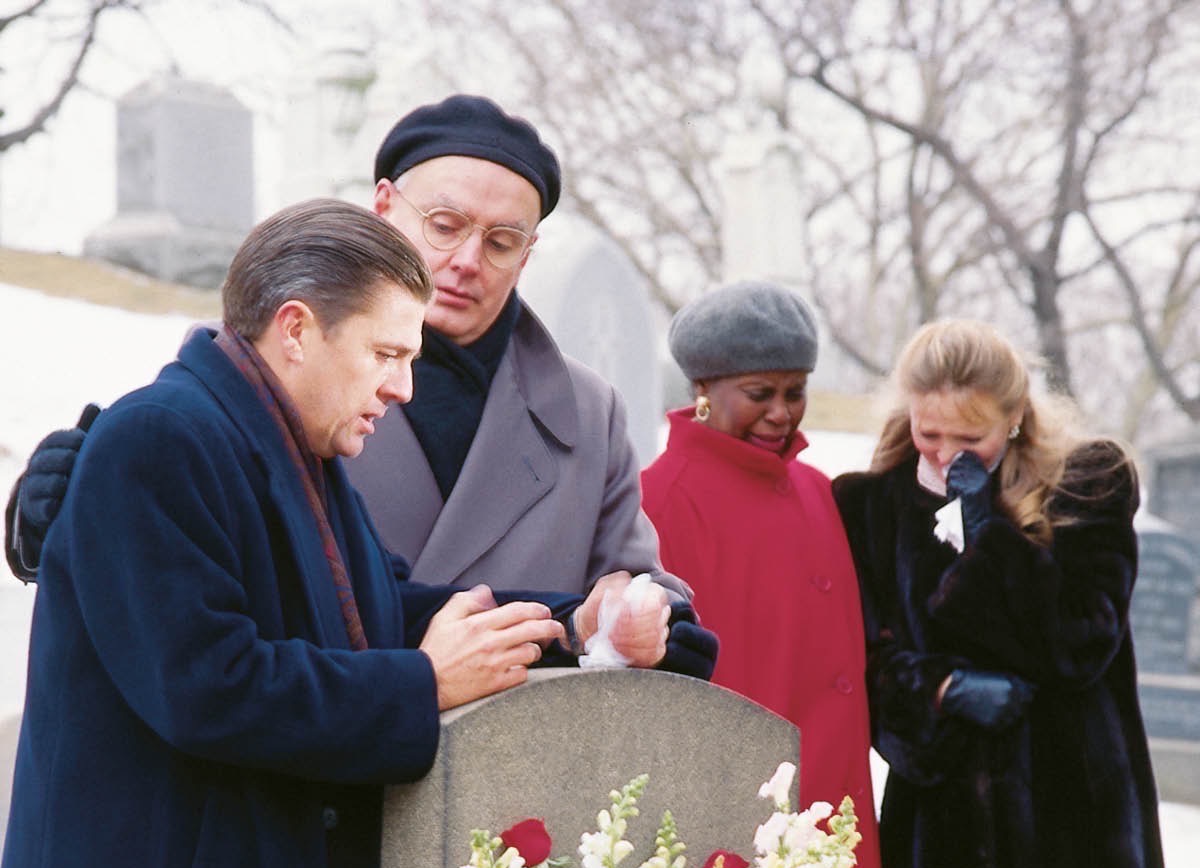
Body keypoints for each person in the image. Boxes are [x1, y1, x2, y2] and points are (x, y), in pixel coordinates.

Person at [0, 200, 697, 868]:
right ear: (296, 329)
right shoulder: (159, 442)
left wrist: (586, 627)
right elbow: (206, 684)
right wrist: (421, 684)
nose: (402, 387)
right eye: (385, 353)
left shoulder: (288, 450)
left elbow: (385, 611)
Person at [6, 93, 697, 624]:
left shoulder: (587, 410)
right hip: (314, 767)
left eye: (502, 241)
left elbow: (631, 586)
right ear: (385, 206)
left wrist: (642, 610)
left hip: (512, 785)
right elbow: (166, 512)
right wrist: (52, 505)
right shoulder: (277, 357)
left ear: (530, 251)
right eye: (446, 225)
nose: (465, 262)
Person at [831, 316, 1172, 868]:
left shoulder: (1089, 482)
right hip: (945, 821)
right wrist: (940, 690)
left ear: (1014, 416)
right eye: (929, 433)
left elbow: (1082, 642)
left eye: (971, 436)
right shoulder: (869, 504)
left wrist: (988, 530)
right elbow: (864, 658)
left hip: (1074, 808)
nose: (946, 454)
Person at [641, 281, 882, 868]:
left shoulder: (818, 490)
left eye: (795, 392)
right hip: (735, 810)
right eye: (759, 394)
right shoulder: (661, 499)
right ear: (702, 390)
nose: (781, 412)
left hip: (836, 799)